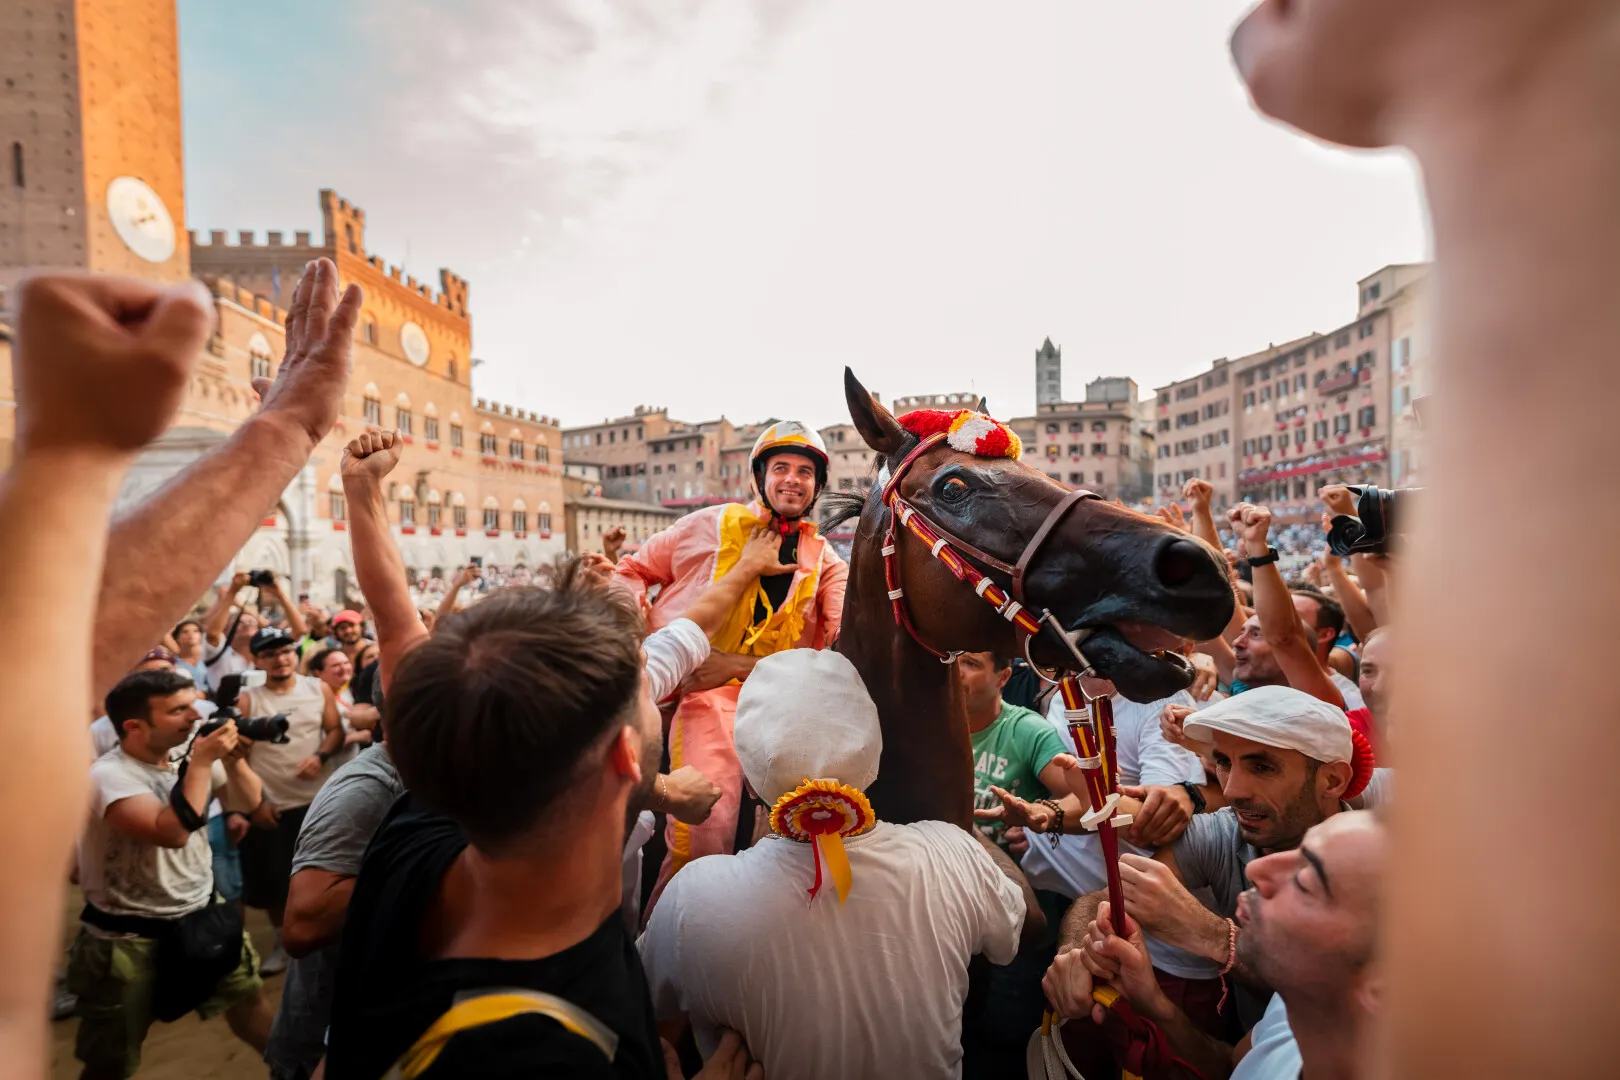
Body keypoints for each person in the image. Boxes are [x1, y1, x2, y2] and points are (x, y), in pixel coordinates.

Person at [640, 649, 1034, 1080]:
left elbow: (638, 1003)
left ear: (749, 781)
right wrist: (968, 836)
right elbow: (1021, 923)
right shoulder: (951, 854)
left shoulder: (694, 899)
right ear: (875, 758)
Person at [1044, 685, 1374, 1034]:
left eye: (1262, 767)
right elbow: (1104, 899)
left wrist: (1211, 934)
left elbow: (1328, 996)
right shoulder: (1224, 832)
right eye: (1224, 763)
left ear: (1333, 780)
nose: (1232, 790)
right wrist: (1076, 951)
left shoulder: (1377, 872)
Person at [614, 420, 849, 904]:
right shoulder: (706, 524)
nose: (792, 479)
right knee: (708, 827)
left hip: (775, 703)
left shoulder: (827, 562)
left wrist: (736, 665)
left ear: (817, 487)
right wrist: (633, 639)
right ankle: (672, 930)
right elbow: (631, 569)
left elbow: (838, 653)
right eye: (780, 468)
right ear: (759, 477)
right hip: (687, 694)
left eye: (805, 472)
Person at [1062, 811, 1387, 1080]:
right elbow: (1234, 1068)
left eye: (1305, 881)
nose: (1256, 869)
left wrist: (1209, 934)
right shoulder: (1292, 1008)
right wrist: (1152, 1002)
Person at [69, 669, 278, 1079]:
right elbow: (172, 832)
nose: (195, 719)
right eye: (178, 710)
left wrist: (233, 764)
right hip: (126, 940)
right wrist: (202, 760)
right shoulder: (109, 775)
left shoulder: (187, 758)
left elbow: (257, 807)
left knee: (251, 1008)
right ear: (134, 726)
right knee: (111, 1059)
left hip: (204, 915)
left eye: (194, 706)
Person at [236, 627, 344, 976]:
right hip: (272, 804)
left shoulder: (317, 688)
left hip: (318, 802)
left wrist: (320, 756)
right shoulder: (249, 699)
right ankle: (285, 941)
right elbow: (237, 755)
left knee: (327, 871)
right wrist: (254, 803)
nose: (279, 659)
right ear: (257, 660)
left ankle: (331, 936)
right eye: (269, 654)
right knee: (275, 880)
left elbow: (334, 730)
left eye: (285, 651)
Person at [961, 652, 1068, 854]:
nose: (956, 672)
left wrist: (1040, 818)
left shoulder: (1028, 731)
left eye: (970, 663)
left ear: (1003, 677)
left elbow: (1083, 801)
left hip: (1001, 875)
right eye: (952, 660)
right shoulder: (931, 724)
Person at [170, 619, 211, 691]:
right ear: (177, 638)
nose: (190, 634)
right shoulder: (171, 663)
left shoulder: (210, 657)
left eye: (195, 631)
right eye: (185, 632)